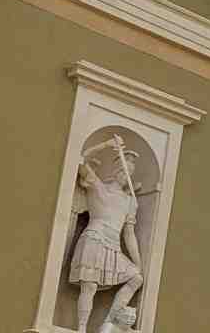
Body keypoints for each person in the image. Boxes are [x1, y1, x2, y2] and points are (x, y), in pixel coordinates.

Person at [71, 141, 145, 333]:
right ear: (115, 171)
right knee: (89, 286)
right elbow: (80, 161)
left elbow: (129, 234)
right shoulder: (98, 187)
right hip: (95, 238)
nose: (125, 175)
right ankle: (81, 329)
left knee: (136, 278)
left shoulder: (130, 202)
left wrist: (138, 264)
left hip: (114, 246)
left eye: (129, 172)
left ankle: (108, 323)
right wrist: (105, 144)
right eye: (122, 170)